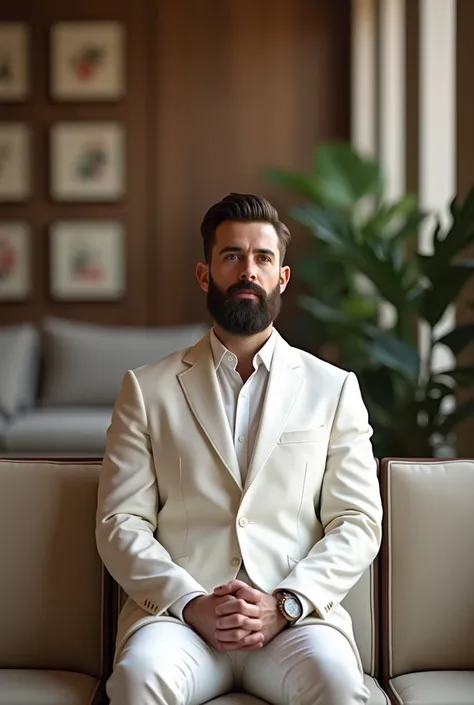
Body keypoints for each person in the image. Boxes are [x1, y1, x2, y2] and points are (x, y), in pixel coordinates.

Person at [96, 193, 383, 705]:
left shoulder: (333, 388)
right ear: (206, 274)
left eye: (262, 258)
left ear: (282, 278)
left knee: (340, 685)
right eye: (232, 256)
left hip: (295, 621)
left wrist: (287, 604)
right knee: (138, 680)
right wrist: (190, 603)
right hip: (180, 621)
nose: (248, 270)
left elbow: (357, 521)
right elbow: (121, 522)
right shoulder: (146, 389)